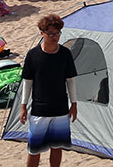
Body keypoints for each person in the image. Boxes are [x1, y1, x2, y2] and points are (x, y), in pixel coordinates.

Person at [19, 14, 77, 167]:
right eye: (50, 33)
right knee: (34, 148)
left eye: (57, 33)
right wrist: (23, 106)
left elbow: (70, 80)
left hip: (60, 108)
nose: (54, 37)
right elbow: (28, 82)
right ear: (42, 33)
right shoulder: (33, 55)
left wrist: (74, 104)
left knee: (57, 146)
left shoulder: (65, 54)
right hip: (39, 109)